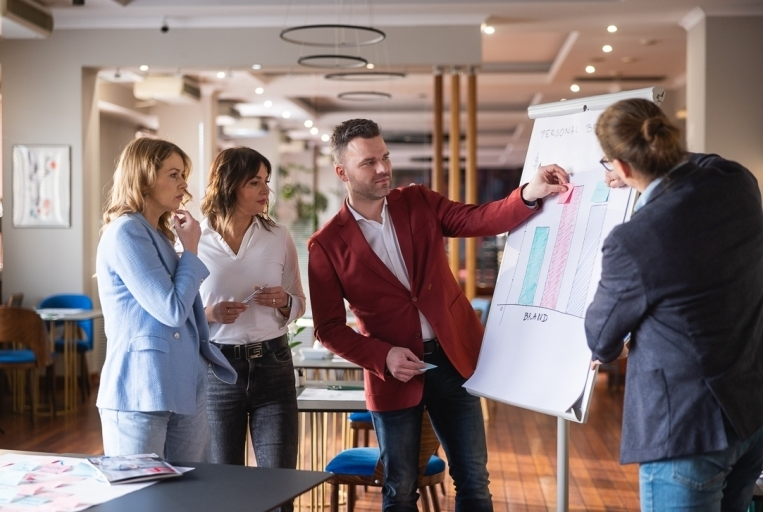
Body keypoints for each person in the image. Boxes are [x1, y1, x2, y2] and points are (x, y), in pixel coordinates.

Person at [308, 118, 568, 511]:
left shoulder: (418, 201)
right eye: (368, 163)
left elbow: (478, 219)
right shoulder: (325, 245)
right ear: (341, 172)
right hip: (393, 376)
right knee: (399, 491)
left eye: (385, 157)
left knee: (474, 481)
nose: (383, 169)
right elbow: (328, 328)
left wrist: (530, 192)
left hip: (453, 362)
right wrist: (383, 356)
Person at [585, 98, 763, 511]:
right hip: (750, 413)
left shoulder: (634, 239)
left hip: (687, 432)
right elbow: (703, 162)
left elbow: (600, 336)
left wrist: (612, 349)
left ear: (621, 167)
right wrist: (637, 171)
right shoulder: (736, 180)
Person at [96, 137, 236, 462]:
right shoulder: (125, 232)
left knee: (189, 497)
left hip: (182, 385)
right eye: (174, 174)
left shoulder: (157, 233)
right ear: (144, 177)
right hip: (139, 389)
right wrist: (191, 250)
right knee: (141, 500)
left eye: (183, 174)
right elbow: (171, 309)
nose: (184, 184)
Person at [198, 147, 305, 511]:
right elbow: (178, 308)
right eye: (255, 182)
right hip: (217, 370)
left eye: (267, 182)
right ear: (229, 185)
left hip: (273, 366)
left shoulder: (278, 235)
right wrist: (209, 313)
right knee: (222, 488)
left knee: (279, 487)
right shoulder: (191, 238)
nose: (265, 191)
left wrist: (284, 301)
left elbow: (299, 301)